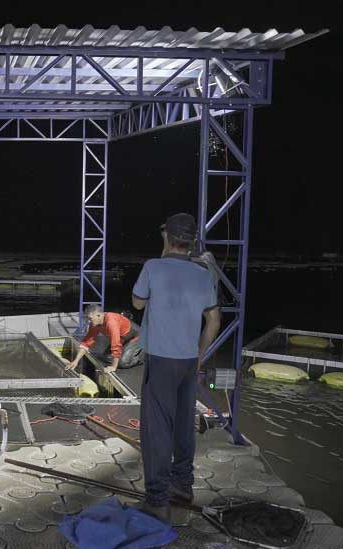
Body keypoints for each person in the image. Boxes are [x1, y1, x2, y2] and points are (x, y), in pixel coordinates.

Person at [131, 213, 221, 523]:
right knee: (184, 423)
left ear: (168, 237)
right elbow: (214, 320)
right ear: (192, 241)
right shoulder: (202, 273)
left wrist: (162, 256)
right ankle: (183, 485)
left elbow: (138, 304)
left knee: (156, 429)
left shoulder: (153, 267)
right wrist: (199, 354)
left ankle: (157, 500)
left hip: (160, 362)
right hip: (187, 363)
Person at [65, 305, 142, 374]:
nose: (88, 321)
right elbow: (86, 343)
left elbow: (116, 344)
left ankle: (142, 357)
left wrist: (113, 367)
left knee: (123, 362)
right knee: (105, 357)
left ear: (98, 315)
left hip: (136, 337)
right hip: (123, 338)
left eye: (90, 318)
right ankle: (125, 352)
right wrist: (75, 361)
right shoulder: (94, 324)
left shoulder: (111, 322)